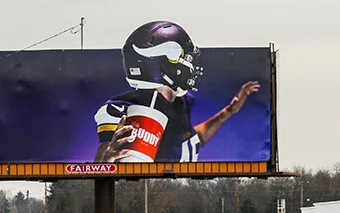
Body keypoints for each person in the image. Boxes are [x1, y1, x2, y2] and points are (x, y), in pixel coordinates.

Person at [93, 21, 260, 163]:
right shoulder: (123, 108)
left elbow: (189, 143)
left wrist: (228, 111)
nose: (192, 65)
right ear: (165, 64)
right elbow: (103, 156)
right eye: (186, 58)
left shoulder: (180, 102)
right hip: (145, 193)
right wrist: (108, 160)